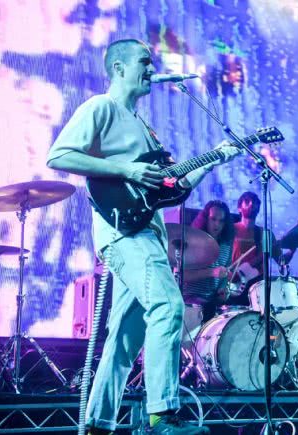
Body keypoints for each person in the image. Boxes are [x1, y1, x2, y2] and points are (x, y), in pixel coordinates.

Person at [46, 38, 239, 435]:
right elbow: (59, 155)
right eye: (144, 62)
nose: (152, 69)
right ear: (118, 68)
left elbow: (172, 186)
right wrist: (127, 170)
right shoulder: (100, 108)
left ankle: (98, 422)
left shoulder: (144, 126)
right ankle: (162, 416)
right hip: (123, 233)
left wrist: (215, 158)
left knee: (125, 336)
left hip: (145, 232)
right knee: (168, 306)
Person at [180, 200, 235, 346]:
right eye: (213, 219)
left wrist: (224, 291)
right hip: (190, 305)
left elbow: (223, 278)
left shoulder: (226, 246)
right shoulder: (193, 242)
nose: (217, 224)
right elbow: (182, 276)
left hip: (211, 307)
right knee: (188, 352)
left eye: (221, 221)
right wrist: (211, 272)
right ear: (205, 219)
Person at [227, 191, 295, 308]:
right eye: (247, 201)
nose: (251, 204)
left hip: (258, 288)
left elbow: (281, 262)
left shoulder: (266, 234)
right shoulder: (230, 230)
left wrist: (293, 249)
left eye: (255, 202)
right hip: (233, 284)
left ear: (259, 208)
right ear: (239, 208)